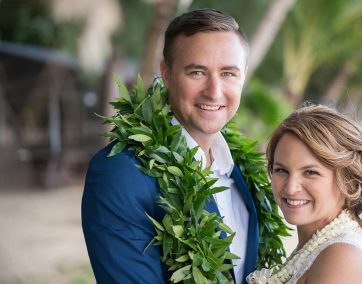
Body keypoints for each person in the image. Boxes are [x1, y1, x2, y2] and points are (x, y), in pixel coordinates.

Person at [82, 8, 260, 283]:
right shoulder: (120, 173)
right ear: (166, 73)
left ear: (243, 76)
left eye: (228, 73)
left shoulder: (243, 172)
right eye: (197, 72)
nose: (214, 91)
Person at [247, 104, 362, 284]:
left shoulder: (342, 258)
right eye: (281, 170)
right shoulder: (313, 251)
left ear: (346, 179)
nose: (291, 188)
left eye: (310, 172)